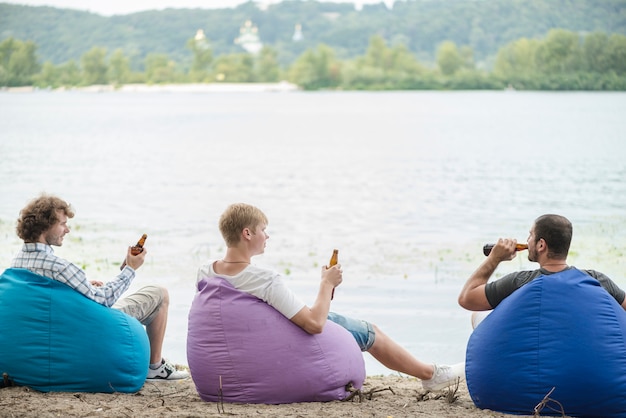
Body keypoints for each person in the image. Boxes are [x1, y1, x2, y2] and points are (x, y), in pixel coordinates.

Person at [197, 203, 464, 391]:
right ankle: (430, 374)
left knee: (335, 318)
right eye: (263, 229)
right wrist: (326, 284)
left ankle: (429, 371)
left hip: (229, 363)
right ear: (247, 233)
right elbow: (314, 324)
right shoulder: (264, 279)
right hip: (282, 347)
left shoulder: (206, 271)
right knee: (368, 332)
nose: (267, 236)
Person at [11, 194, 188, 380]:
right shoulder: (58, 267)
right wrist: (130, 269)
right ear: (46, 226)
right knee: (159, 294)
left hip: (51, 333)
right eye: (63, 224)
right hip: (84, 329)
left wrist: (83, 287)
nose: (67, 229)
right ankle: (155, 365)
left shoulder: (16, 262)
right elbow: (103, 300)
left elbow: (47, 295)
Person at [458, 214, 626, 327]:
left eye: (530, 235)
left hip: (533, 362)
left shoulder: (520, 282)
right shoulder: (596, 279)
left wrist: (494, 258)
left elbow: (467, 298)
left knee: (477, 316)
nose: (527, 240)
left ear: (541, 245)